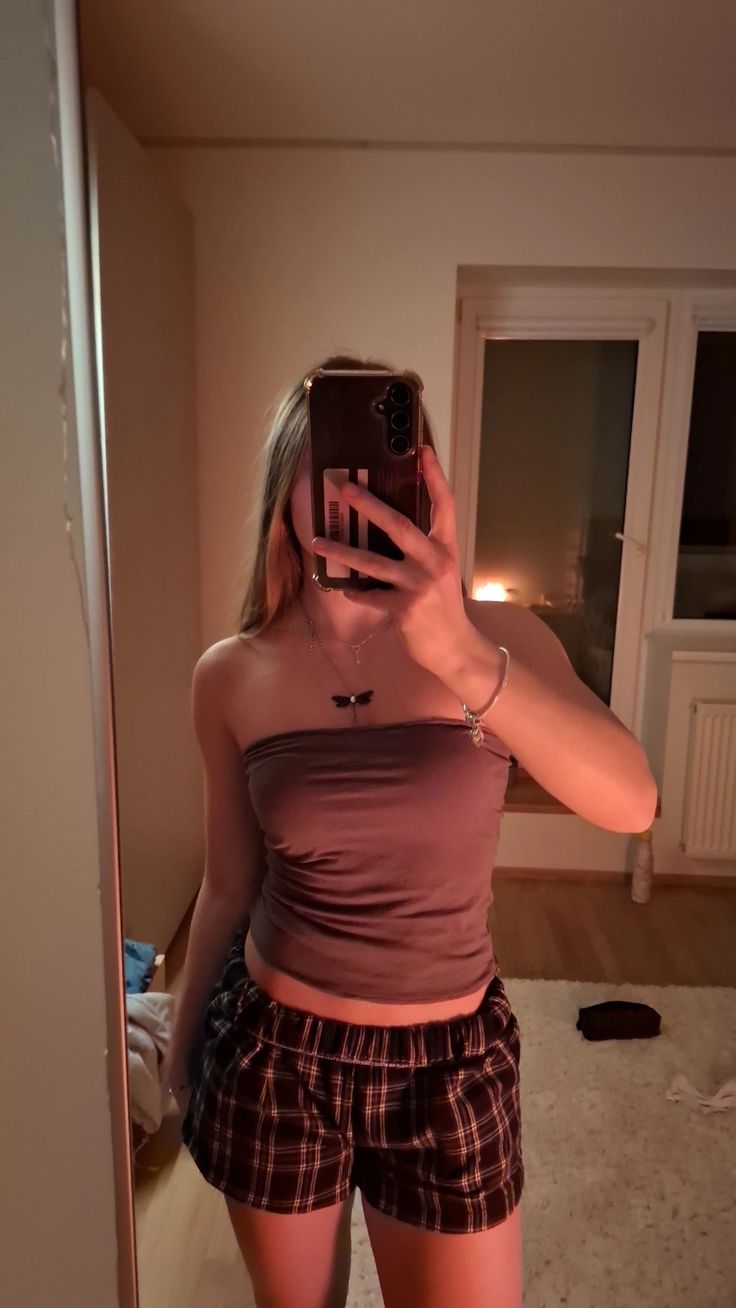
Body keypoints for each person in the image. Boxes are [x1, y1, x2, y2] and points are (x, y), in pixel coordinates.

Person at [163, 353, 519, 1308]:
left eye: (378, 468)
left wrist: (455, 641)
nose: (352, 490)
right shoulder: (229, 675)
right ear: (283, 492)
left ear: (420, 484)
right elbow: (228, 883)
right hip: (276, 1059)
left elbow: (632, 799)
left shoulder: (487, 649)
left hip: (450, 1064)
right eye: (325, 465)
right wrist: (181, 1043)